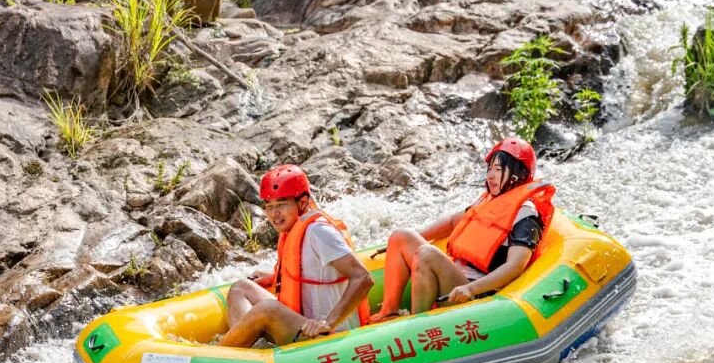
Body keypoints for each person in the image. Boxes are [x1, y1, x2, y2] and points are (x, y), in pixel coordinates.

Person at [369, 137, 555, 323]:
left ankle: (415, 324)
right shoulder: (489, 201)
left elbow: (515, 266)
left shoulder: (526, 213)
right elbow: (451, 223)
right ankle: (389, 312)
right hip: (457, 280)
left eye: (498, 170)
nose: (490, 175)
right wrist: (414, 239)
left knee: (427, 254)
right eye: (489, 169)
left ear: (519, 174)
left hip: (479, 295)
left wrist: (470, 289)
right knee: (402, 236)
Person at [221, 164, 373, 348]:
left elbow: (363, 278)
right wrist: (275, 276)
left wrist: (328, 323)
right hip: (300, 323)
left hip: (328, 335)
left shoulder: (319, 232)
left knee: (269, 309)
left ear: (302, 202)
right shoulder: (294, 228)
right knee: (240, 288)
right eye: (269, 206)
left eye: (281, 205)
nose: (274, 214)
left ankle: (215, 356)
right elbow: (311, 271)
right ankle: (247, 354)